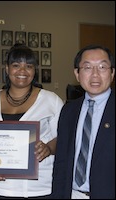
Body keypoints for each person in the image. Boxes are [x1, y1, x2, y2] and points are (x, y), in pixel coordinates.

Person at [0, 44, 64, 199]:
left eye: (28, 66)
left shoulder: (51, 100)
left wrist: (48, 148)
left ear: (34, 70)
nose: (22, 71)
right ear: (7, 69)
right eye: (16, 65)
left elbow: (65, 138)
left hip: (40, 187)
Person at [50, 44, 115, 199]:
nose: (95, 74)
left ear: (112, 73)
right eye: (87, 67)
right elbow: (61, 162)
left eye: (102, 67)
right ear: (77, 74)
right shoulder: (68, 110)